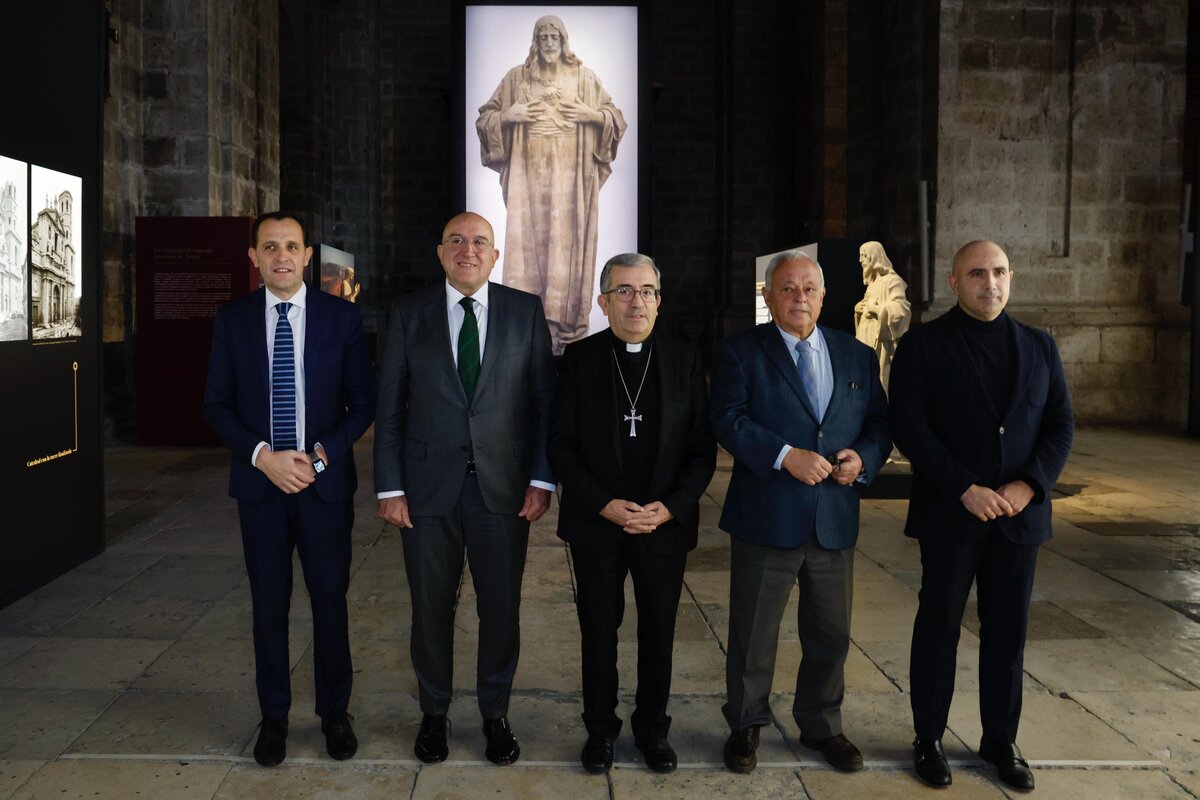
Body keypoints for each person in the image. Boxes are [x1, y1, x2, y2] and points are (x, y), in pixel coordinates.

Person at [889, 240, 1073, 791]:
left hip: (1019, 519)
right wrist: (963, 487)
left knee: (1008, 633)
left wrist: (1028, 485)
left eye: (997, 272)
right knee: (938, 628)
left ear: (1010, 278)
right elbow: (910, 428)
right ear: (953, 282)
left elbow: (1060, 426)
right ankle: (928, 739)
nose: (988, 283)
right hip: (952, 514)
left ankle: (1001, 740)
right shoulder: (923, 346)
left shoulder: (1040, 347)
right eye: (976, 273)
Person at [374, 211, 555, 766]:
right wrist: (389, 487)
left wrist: (542, 478)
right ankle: (434, 714)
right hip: (427, 494)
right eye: (457, 240)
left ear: (495, 255)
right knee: (430, 608)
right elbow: (390, 408)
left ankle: (495, 715)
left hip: (503, 492)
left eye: (480, 242)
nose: (468, 250)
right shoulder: (410, 313)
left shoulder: (524, 311)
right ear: (440, 251)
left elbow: (544, 405)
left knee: (500, 609)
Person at [202, 211, 376, 767]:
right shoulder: (233, 321)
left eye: (292, 246)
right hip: (261, 490)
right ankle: (274, 717)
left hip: (322, 490)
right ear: (253, 257)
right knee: (267, 608)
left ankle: (335, 715)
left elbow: (362, 405)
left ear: (307, 255)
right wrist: (262, 458)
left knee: (330, 604)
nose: (281, 256)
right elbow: (216, 406)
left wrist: (317, 461)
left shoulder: (341, 320)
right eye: (270, 246)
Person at [710, 250, 890, 775]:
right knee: (754, 632)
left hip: (834, 514)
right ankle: (744, 725)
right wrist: (785, 456)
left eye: (809, 288)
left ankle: (822, 725)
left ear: (825, 295)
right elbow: (727, 418)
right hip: (767, 515)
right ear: (768, 297)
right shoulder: (742, 352)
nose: (799, 297)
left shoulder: (855, 354)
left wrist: (864, 459)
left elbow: (879, 423)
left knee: (831, 633)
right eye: (787, 289)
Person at [549, 253, 716, 774]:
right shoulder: (578, 361)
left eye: (646, 291)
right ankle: (600, 731)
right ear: (604, 302)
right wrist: (604, 505)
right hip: (599, 525)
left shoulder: (684, 359)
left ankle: (652, 731)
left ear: (659, 302)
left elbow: (702, 450)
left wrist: (669, 509)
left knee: (659, 631)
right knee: (599, 630)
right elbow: (561, 446)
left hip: (662, 525)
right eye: (623, 291)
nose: (635, 300)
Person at [476, 14, 626, 355]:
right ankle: (524, 326)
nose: (547, 42)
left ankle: (565, 327)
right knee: (527, 249)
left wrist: (591, 116)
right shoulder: (517, 78)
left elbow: (615, 118)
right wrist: (510, 116)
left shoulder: (584, 79)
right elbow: (486, 118)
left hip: (570, 179)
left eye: (553, 36)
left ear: (563, 41)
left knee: (565, 249)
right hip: (528, 177)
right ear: (535, 41)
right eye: (542, 36)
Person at [853, 241, 911, 393]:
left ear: (874, 257)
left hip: (881, 340)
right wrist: (858, 310)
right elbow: (866, 306)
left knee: (879, 381)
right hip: (865, 336)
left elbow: (901, 310)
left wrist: (878, 310)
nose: (860, 260)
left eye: (863, 256)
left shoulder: (892, 281)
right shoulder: (873, 282)